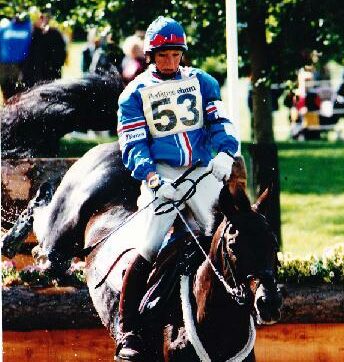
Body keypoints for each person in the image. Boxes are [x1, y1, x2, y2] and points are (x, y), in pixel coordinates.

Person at [115, 16, 239, 360]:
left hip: (200, 170)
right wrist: (153, 179)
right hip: (162, 175)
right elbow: (133, 145)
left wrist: (227, 152)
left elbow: (219, 121)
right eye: (163, 56)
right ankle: (127, 331)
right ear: (151, 56)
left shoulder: (203, 82)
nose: (170, 62)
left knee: (223, 236)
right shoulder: (133, 94)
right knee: (149, 245)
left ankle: (237, 309)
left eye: (175, 55)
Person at [21, 9, 66, 89]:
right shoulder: (30, 34)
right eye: (39, 17)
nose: (42, 20)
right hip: (32, 79)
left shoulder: (55, 34)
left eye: (44, 17)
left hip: (50, 78)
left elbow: (60, 57)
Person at [0, 15, 32, 100]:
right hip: (4, 65)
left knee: (20, 94)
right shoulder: (4, 26)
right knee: (6, 93)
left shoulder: (30, 26)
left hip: (22, 65)